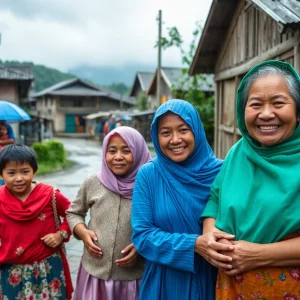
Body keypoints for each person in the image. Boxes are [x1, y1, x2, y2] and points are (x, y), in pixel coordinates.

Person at [202, 60, 300, 299]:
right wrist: (210, 234)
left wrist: (258, 254)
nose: (266, 114)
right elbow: (215, 198)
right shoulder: (238, 152)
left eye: (278, 103)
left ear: (298, 110)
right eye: (255, 104)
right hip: (232, 288)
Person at [131, 99, 235, 300]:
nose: (175, 139)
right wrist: (194, 244)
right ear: (156, 136)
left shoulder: (223, 172)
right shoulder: (149, 175)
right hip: (163, 282)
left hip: (213, 278)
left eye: (183, 129)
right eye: (165, 133)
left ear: (196, 130)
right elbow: (142, 236)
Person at [66, 126, 151, 300]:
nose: (118, 157)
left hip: (134, 276)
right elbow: (73, 213)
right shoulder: (93, 182)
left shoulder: (149, 186)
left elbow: (159, 223)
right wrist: (82, 232)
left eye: (126, 151)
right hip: (95, 273)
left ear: (139, 152)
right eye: (112, 151)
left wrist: (142, 245)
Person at [0, 144, 73, 299]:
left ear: (34, 171)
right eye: (11, 173)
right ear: (1, 175)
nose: (19, 178)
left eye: (25, 172)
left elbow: (73, 213)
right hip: (11, 271)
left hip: (49, 267)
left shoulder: (49, 195)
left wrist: (60, 234)